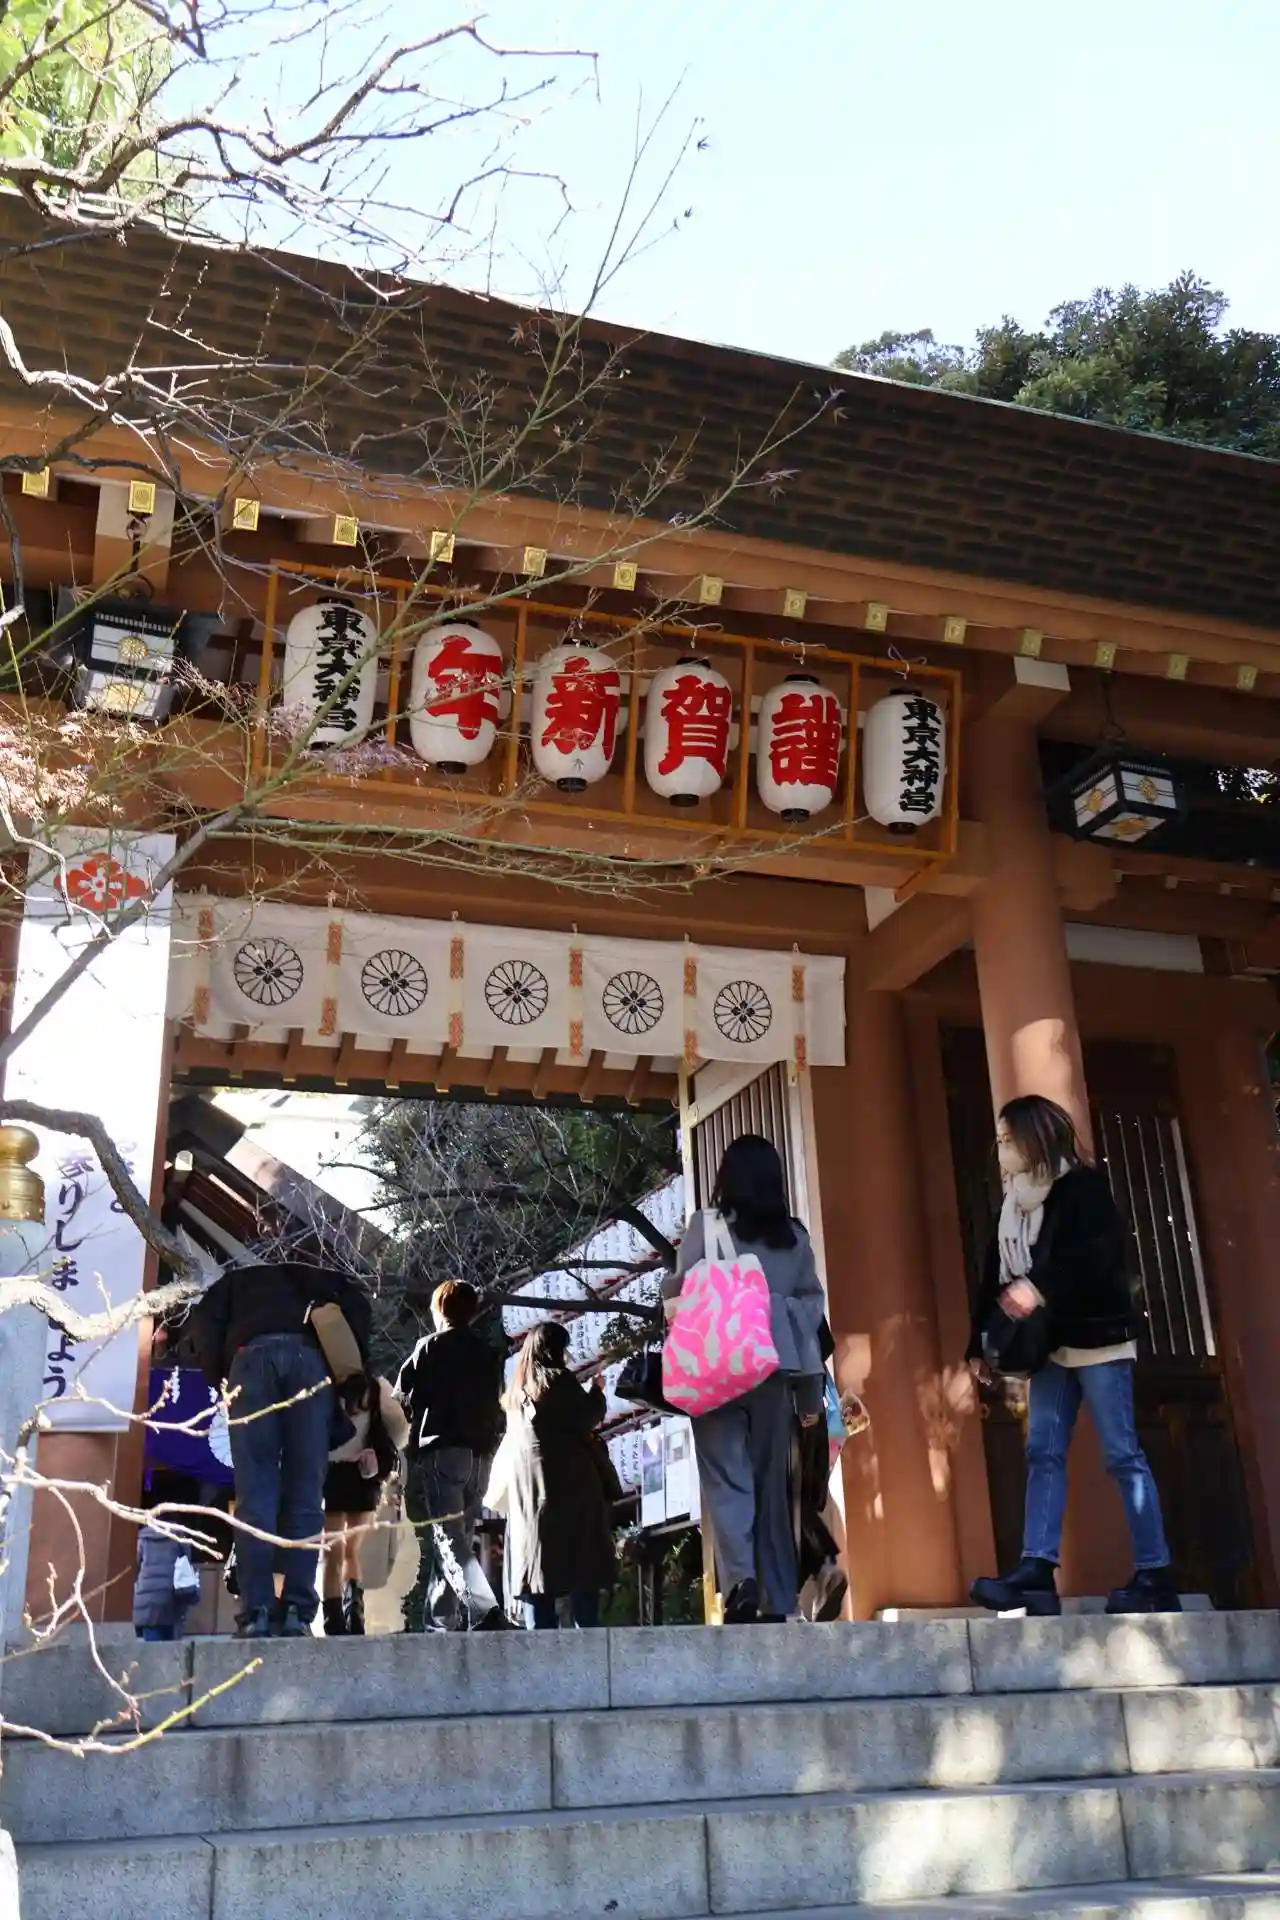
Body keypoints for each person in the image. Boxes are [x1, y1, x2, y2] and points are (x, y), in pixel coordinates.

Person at [966, 1094, 1180, 1617]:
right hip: (1050, 1348)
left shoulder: (1083, 1189)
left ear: (1035, 1138)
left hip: (1100, 1339)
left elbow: (1095, 1258)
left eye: (1008, 1139)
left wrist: (1038, 1285)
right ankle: (1036, 1572)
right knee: (1042, 1451)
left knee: (1122, 1454)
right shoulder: (1012, 1204)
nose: (1001, 1148)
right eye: (999, 1139)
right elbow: (994, 1275)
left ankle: (1155, 1574)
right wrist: (978, 1344)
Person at [662, 1135, 827, 1624]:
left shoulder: (706, 1227)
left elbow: (676, 1297)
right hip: (774, 1372)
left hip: (714, 1370)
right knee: (771, 1486)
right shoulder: (793, 1238)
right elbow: (811, 1317)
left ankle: (741, 1584)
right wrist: (810, 1395)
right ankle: (778, 1598)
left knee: (726, 1479)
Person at [188, 1258, 371, 1639]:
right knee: (306, 1493)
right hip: (311, 1362)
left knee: (254, 1494)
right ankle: (296, 1612)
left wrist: (220, 1373)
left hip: (249, 1357)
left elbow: (204, 1324)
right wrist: (352, 1380)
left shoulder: (237, 1281)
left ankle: (255, 1611)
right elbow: (358, 1313)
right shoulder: (324, 1274)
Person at [395, 1280, 506, 1632]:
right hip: (480, 1456)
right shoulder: (487, 1352)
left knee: (448, 1538)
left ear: (439, 1309)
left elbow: (401, 1400)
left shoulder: (429, 1347)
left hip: (443, 1451)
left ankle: (484, 1609)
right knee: (457, 1539)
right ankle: (440, 1622)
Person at [503, 1321, 616, 1629]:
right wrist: (597, 1391)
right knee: (582, 1568)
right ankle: (589, 1640)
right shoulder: (557, 1380)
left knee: (537, 1573)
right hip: (572, 1486)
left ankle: (539, 1645)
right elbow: (585, 1417)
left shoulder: (517, 1390)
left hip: (529, 1493)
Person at [322, 1369, 409, 1636]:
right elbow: (400, 1429)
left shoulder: (327, 1384)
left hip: (331, 1474)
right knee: (352, 1552)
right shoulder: (376, 1387)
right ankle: (354, 1612)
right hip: (363, 1475)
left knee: (332, 1553)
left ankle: (333, 1618)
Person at [132, 1520, 201, 1642]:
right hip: (171, 1594)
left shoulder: (143, 1537)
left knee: (152, 1647)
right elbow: (187, 1561)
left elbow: (138, 1561)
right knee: (172, 1647)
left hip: (146, 1594)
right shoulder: (179, 1536)